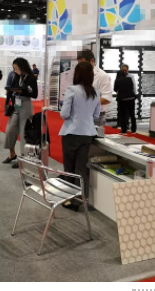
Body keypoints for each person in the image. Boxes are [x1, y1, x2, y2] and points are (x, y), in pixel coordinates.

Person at [58, 62, 101, 211]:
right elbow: (96, 115)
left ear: (77, 74)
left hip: (71, 133)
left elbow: (64, 114)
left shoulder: (72, 90)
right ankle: (83, 198)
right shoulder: (95, 92)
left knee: (69, 167)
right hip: (87, 134)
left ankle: (69, 199)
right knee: (82, 168)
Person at [3, 58, 38, 167]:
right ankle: (12, 154)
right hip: (16, 105)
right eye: (14, 68)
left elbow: (34, 94)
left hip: (26, 105)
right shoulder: (16, 76)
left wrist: (21, 91)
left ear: (22, 67)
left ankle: (23, 158)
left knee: (24, 132)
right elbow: (11, 89)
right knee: (10, 130)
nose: (15, 70)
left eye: (16, 68)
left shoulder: (31, 77)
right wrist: (8, 100)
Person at [78, 50, 112, 127]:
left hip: (96, 116)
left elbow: (107, 99)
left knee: (94, 135)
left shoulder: (103, 76)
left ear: (92, 61)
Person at [114, 70, 137, 134]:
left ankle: (124, 131)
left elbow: (115, 89)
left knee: (123, 115)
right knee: (132, 114)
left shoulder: (117, 80)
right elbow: (132, 87)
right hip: (131, 97)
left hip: (123, 99)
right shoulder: (129, 79)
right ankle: (134, 130)